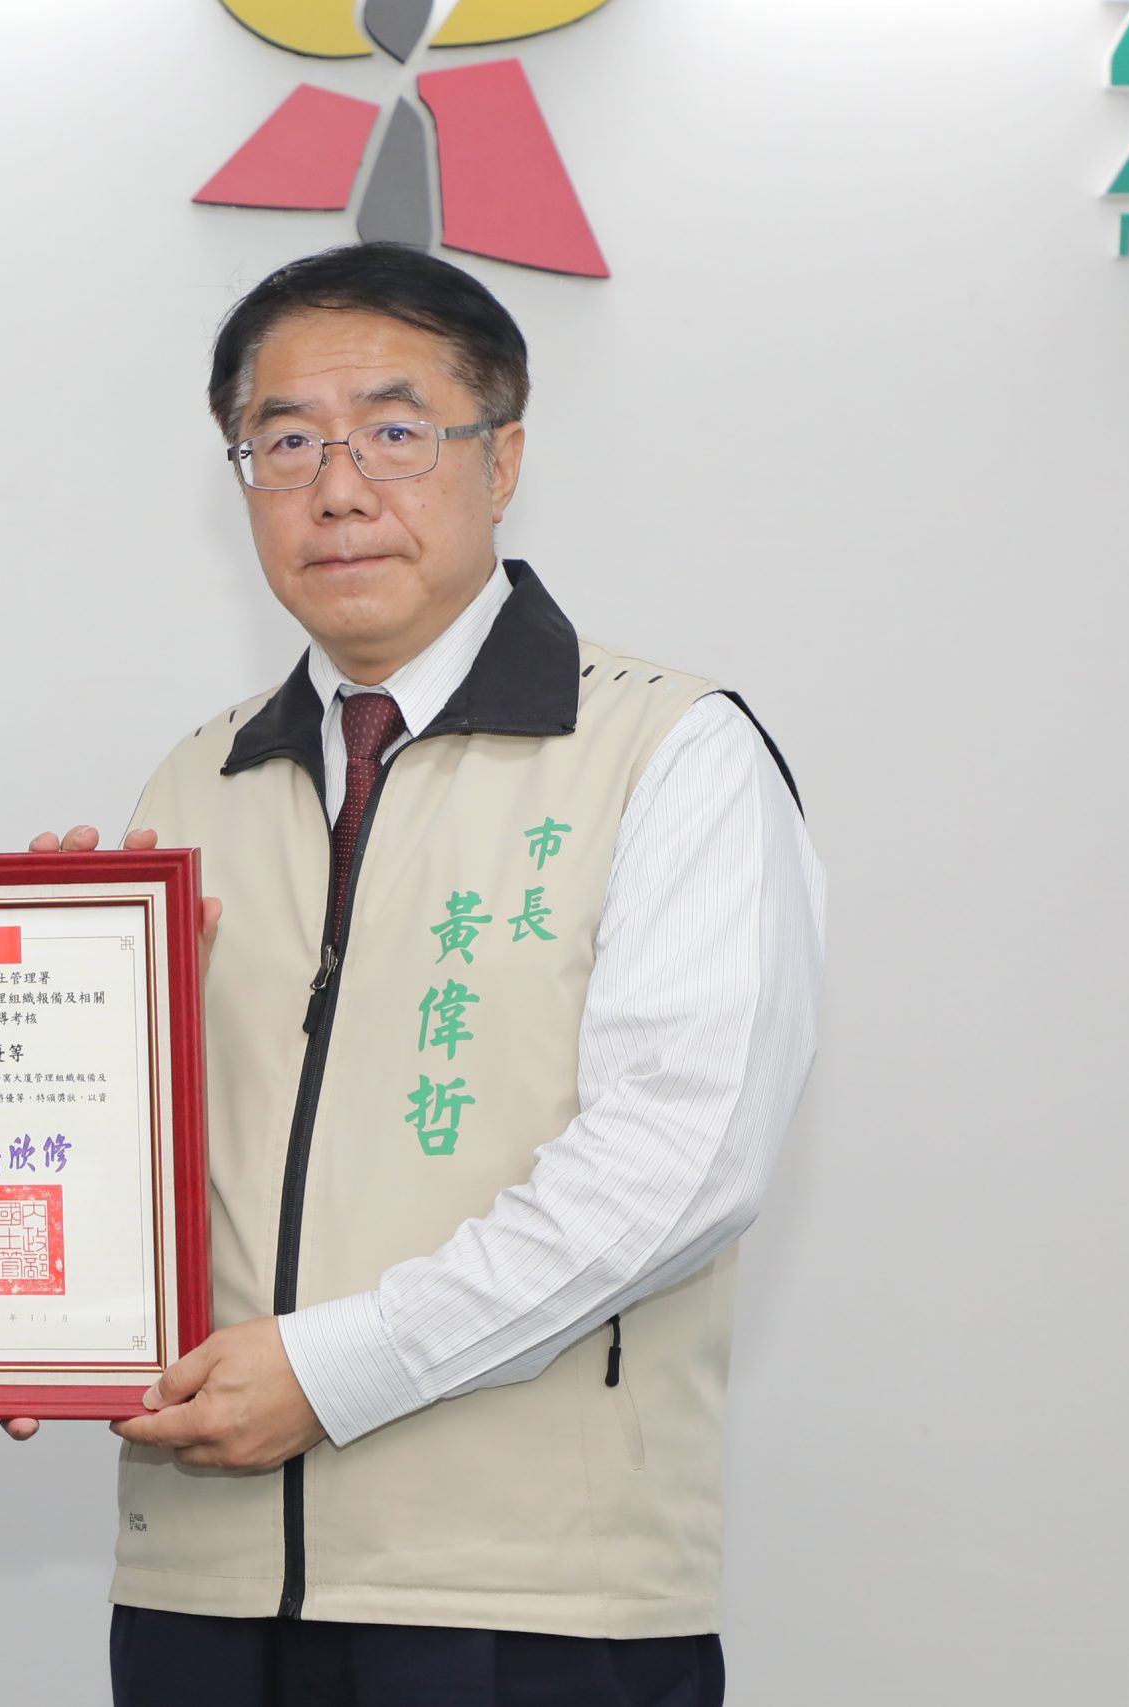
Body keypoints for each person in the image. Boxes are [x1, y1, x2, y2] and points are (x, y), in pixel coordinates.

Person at [60, 242, 827, 1705]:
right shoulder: (193, 783)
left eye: (395, 432)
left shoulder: (670, 751)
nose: (339, 488)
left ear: (504, 458)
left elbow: (681, 1158)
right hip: (202, 1581)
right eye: (286, 442)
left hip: (527, 1601)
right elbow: (130, 1172)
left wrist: (339, 1369)